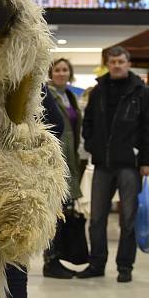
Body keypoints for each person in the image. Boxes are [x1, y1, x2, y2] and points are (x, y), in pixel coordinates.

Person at [78, 46, 149, 283]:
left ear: (128, 63)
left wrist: (148, 160)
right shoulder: (98, 90)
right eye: (113, 62)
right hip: (102, 163)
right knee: (96, 218)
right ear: (107, 64)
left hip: (130, 165)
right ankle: (97, 264)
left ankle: (125, 267)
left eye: (121, 61)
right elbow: (88, 123)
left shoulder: (141, 91)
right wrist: (93, 145)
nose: (117, 66)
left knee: (129, 219)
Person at [41, 58, 83, 279]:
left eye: (65, 69)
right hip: (54, 158)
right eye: (57, 70)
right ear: (51, 73)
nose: (61, 73)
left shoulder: (71, 97)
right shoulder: (45, 94)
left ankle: (58, 256)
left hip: (70, 159)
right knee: (53, 212)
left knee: (63, 211)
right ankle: (50, 260)